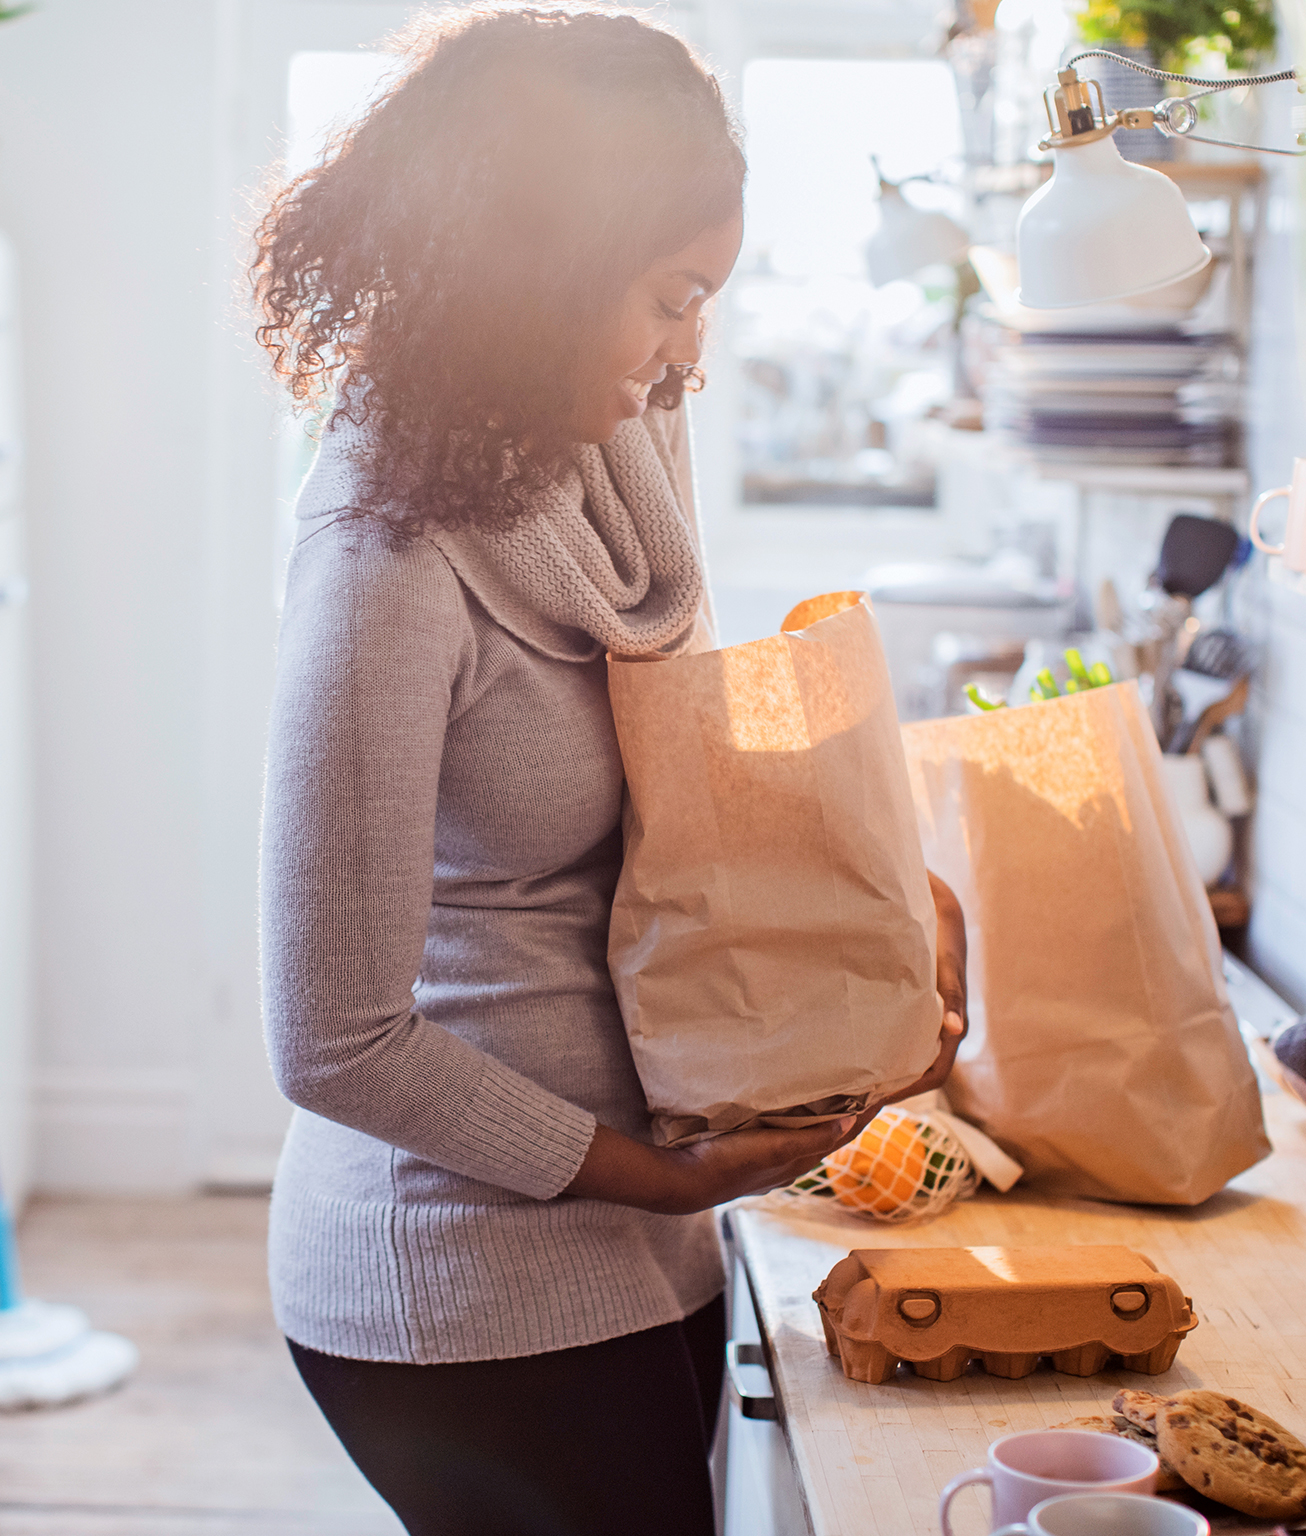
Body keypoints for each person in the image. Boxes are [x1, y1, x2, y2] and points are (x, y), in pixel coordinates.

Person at [252, 8, 968, 1535]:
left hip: (646, 1227)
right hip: (455, 1280)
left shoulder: (610, 445)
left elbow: (660, 786)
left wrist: (873, 899)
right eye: (668, 296)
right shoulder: (382, 553)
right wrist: (668, 1179)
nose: (687, 353)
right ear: (536, 268)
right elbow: (335, 1042)